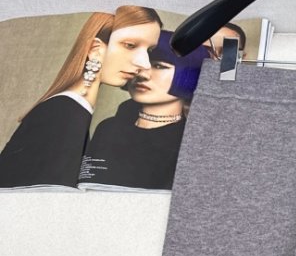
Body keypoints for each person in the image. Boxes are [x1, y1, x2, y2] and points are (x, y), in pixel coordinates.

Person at [0, 6, 162, 189]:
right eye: (130, 45)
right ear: (95, 49)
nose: (144, 63)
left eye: (149, 51)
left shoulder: (69, 109)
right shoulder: (64, 114)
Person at [79, 30, 211, 191]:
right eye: (137, 65)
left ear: (189, 76)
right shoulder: (108, 128)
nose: (142, 75)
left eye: (158, 66)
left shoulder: (197, 140)